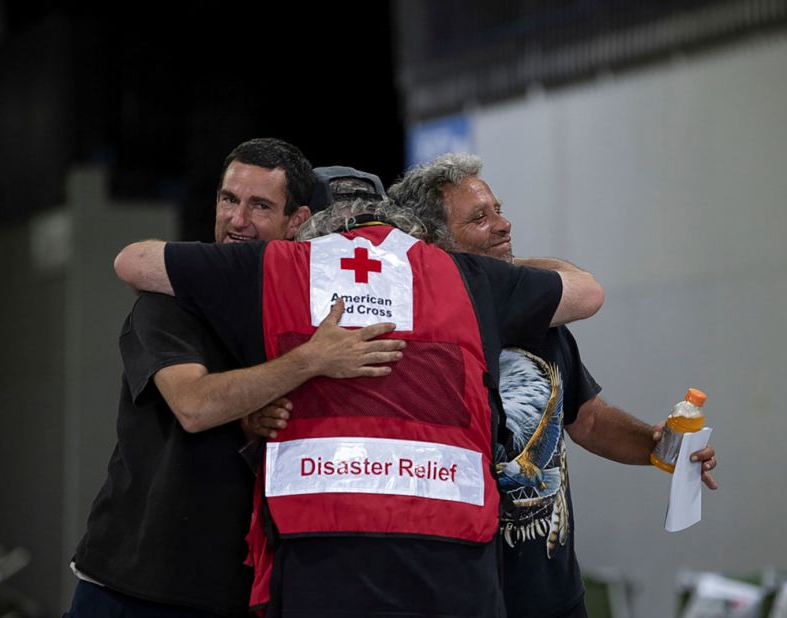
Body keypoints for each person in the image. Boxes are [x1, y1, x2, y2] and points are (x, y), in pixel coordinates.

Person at [112, 192, 604, 617]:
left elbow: (133, 262)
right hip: (452, 556)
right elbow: (587, 293)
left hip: (320, 550)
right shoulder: (468, 276)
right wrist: (495, 270)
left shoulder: (276, 265)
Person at [67, 138, 404, 618]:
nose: (237, 220)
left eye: (259, 206)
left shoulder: (320, 315)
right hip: (136, 588)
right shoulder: (169, 299)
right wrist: (308, 361)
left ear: (298, 221)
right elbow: (195, 406)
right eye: (229, 200)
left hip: (247, 589)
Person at [388, 152, 717, 618]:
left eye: (498, 209)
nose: (503, 224)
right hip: (459, 595)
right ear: (433, 242)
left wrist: (658, 445)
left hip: (552, 597)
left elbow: (590, 421)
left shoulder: (539, 320)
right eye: (480, 218)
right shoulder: (416, 335)